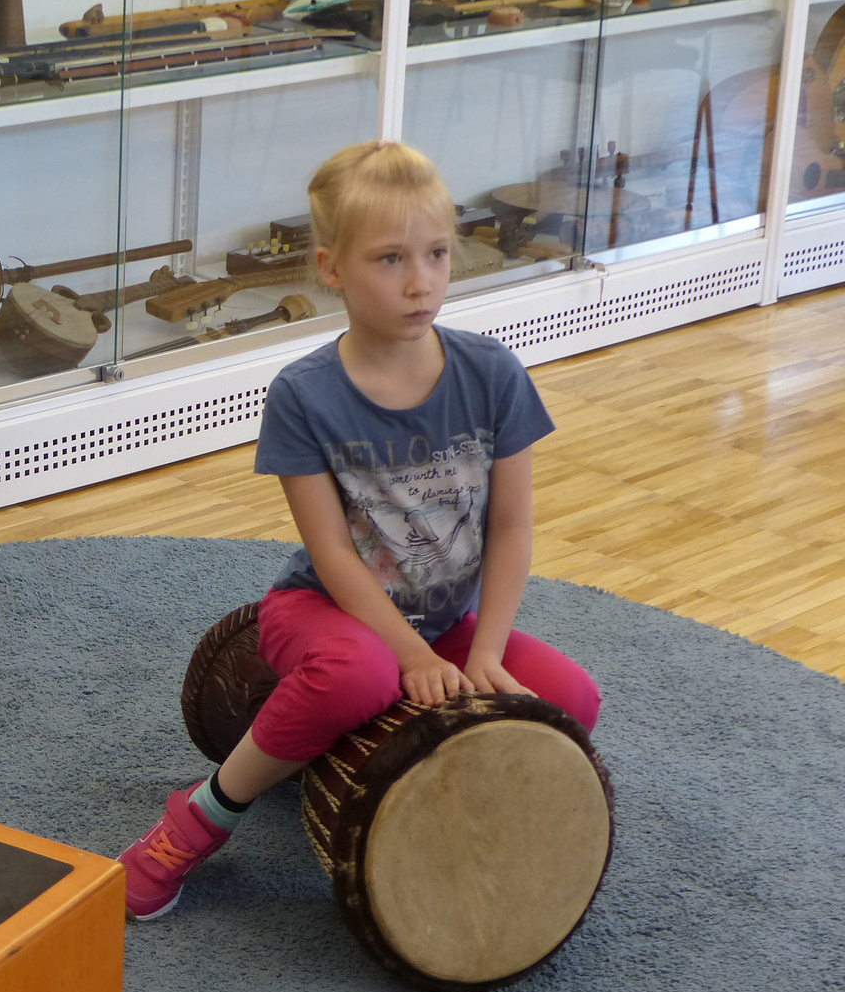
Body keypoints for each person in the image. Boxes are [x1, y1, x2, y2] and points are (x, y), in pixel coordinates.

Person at [117, 140, 601, 921]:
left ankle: (431, 814)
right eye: (389, 260)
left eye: (438, 253)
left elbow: (511, 530)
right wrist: (409, 656)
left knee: (570, 699)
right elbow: (332, 554)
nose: (422, 282)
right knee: (360, 677)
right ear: (331, 267)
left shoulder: (494, 373)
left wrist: (479, 655)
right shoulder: (303, 395)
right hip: (326, 611)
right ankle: (196, 821)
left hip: (446, 621)